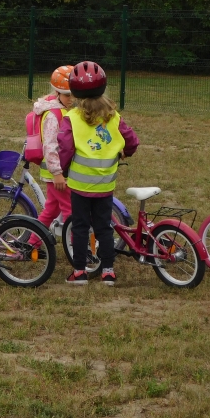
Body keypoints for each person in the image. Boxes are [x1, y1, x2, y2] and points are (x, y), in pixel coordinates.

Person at [59, 61, 139, 286]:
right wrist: (124, 152)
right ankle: (108, 271)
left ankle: (79, 272)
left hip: (80, 185)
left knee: (80, 227)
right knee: (104, 227)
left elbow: (65, 148)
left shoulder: (72, 118)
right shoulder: (113, 116)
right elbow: (132, 141)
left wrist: (64, 169)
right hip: (105, 185)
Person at [33, 66, 75, 234]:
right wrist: (57, 173)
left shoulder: (61, 111)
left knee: (51, 210)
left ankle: (33, 242)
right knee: (70, 210)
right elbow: (50, 145)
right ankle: (75, 245)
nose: (71, 99)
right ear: (57, 93)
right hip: (56, 172)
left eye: (73, 94)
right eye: (67, 95)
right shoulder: (54, 115)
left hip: (55, 171)